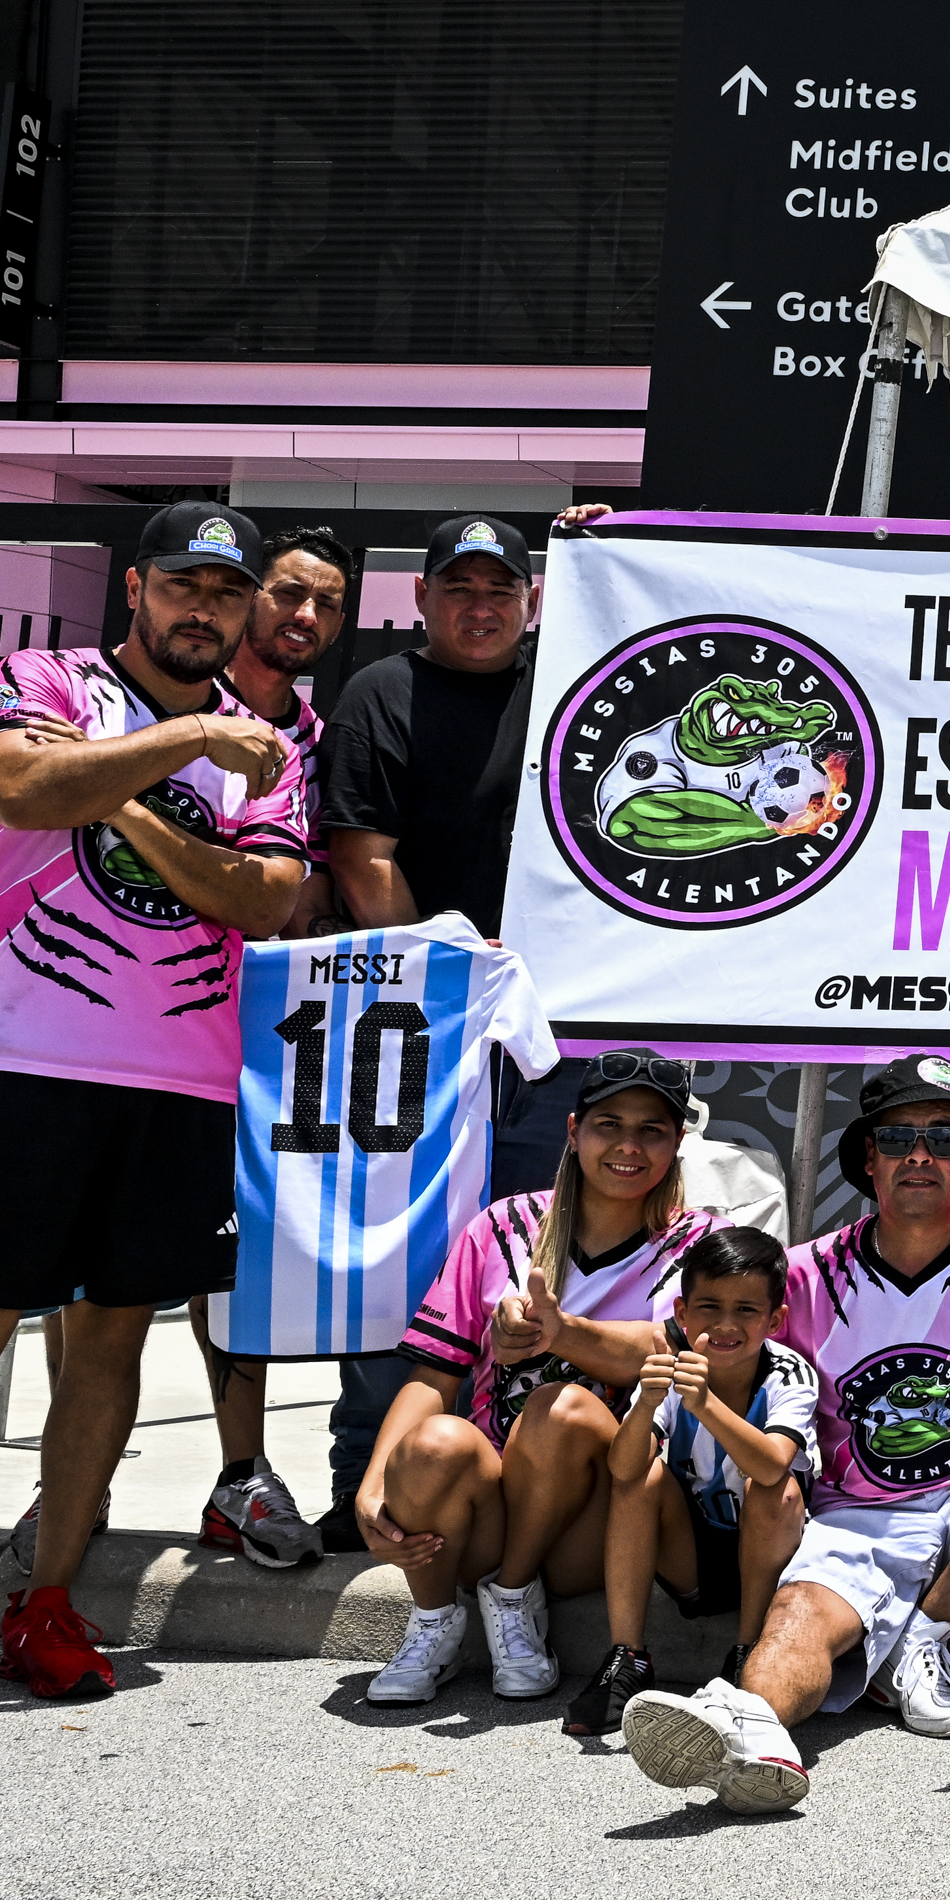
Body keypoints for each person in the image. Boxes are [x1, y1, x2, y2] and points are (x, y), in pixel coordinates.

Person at [0, 502, 311, 1731]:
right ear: (135, 586)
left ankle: (50, 1598)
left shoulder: (273, 746)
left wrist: (123, 804)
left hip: (178, 1076)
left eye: (228, 594)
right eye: (186, 584)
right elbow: (22, 785)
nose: (208, 608)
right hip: (27, 1058)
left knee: (112, 1340)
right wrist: (180, 746)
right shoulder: (52, 677)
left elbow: (268, 899)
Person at [619, 1053, 950, 1813]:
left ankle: (923, 1638)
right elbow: (677, 1335)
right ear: (867, 1159)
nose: (919, 1155)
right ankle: (750, 1734)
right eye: (898, 1136)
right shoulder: (804, 1274)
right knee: (798, 1617)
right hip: (858, 1522)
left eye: (944, 1139)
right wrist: (558, 1331)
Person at [313, 506, 601, 1541]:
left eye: (502, 590)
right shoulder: (381, 692)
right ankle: (371, 1480)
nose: (481, 607)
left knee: (545, 1256)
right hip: (418, 1028)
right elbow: (360, 858)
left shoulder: (572, 676)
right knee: (403, 1257)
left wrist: (613, 549)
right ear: (423, 598)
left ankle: (525, 1483)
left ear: (532, 602)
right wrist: (455, 982)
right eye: (459, 588)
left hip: (557, 1034)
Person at [357, 1049, 724, 1707]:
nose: (629, 1146)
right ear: (574, 1130)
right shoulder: (502, 1227)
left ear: (678, 1142)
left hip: (599, 1524)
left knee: (564, 1408)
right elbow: (433, 1372)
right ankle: (435, 1622)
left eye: (652, 1130)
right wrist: (374, 1482)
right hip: (490, 1513)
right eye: (609, 1125)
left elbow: (678, 1354)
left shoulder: (701, 1245)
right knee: (435, 1442)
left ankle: (513, 1597)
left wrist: (563, 1334)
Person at [190, 521, 355, 1570]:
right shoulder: (181, 709)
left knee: (236, 1257)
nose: (303, 615)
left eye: (326, 603)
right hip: (148, 1017)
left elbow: (320, 887)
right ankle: (71, 1483)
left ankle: (238, 1470)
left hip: (266, 1034)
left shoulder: (325, 734)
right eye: (288, 593)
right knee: (96, 1278)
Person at [568, 1223, 816, 1739]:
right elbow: (622, 1469)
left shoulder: (789, 1374)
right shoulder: (669, 1371)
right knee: (640, 1475)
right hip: (691, 1559)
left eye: (746, 1310)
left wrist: (705, 1404)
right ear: (681, 1313)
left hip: (769, 1558)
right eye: (709, 1307)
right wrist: (648, 1406)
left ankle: (745, 1650)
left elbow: (773, 1465)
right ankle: (627, 1656)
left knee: (773, 1488)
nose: (726, 1325)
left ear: (775, 1319)